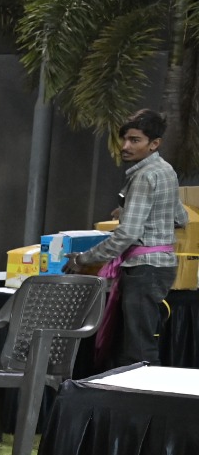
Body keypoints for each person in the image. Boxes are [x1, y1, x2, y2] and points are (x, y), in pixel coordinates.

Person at [66, 108, 187, 366]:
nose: (125, 146)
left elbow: (127, 235)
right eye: (125, 139)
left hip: (144, 269)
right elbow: (180, 218)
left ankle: (143, 393)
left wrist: (83, 259)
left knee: (138, 350)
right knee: (138, 343)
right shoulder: (166, 170)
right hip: (161, 266)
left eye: (135, 140)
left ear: (154, 144)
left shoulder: (144, 176)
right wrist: (130, 211)